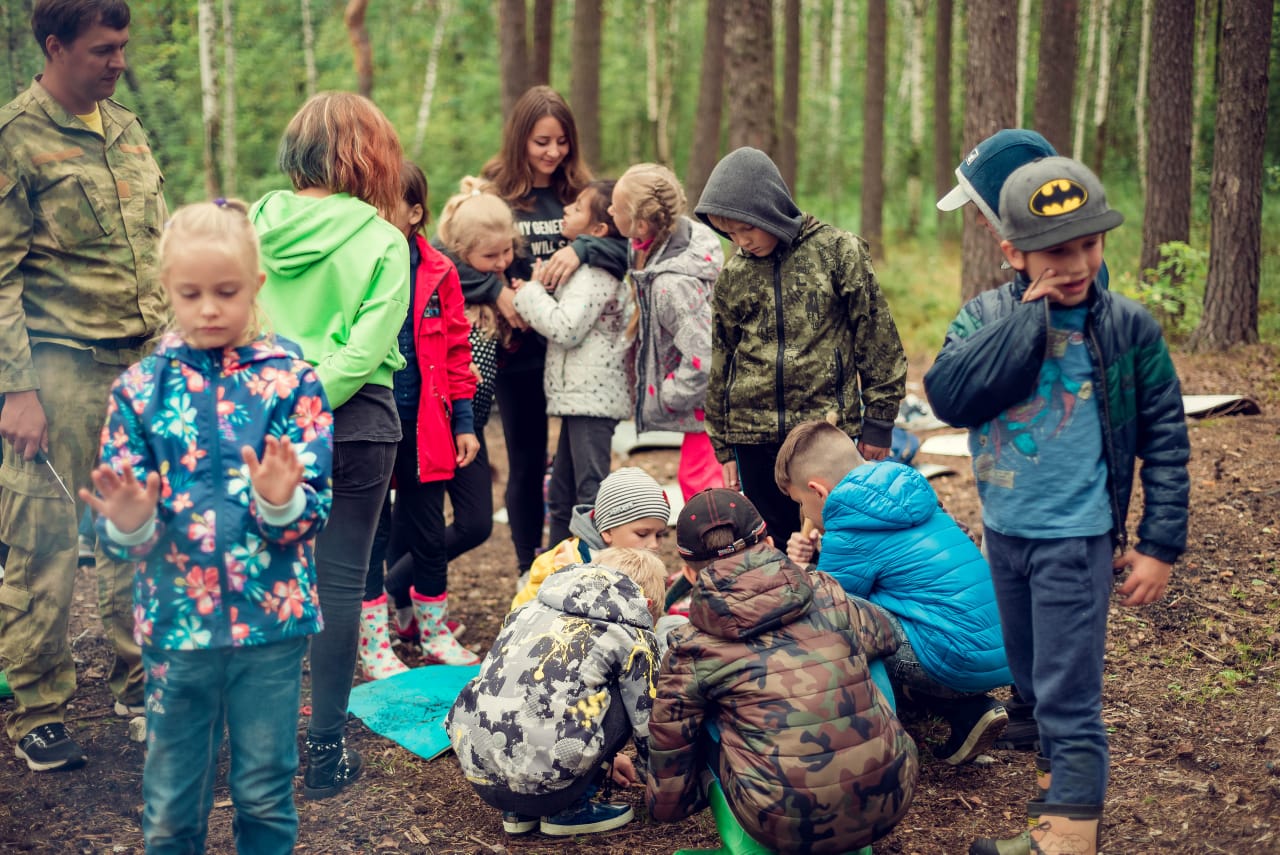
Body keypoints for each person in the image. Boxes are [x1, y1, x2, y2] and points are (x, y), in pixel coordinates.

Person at [923, 156, 1190, 855]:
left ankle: (1068, 835)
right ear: (1012, 250)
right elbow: (950, 395)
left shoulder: (1130, 330)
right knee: (1033, 685)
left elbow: (1166, 441)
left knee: (1070, 693)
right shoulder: (984, 315)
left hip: (1078, 539)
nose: (1075, 264)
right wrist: (1027, 316)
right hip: (1006, 537)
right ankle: (1056, 804)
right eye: (1054, 250)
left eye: (1088, 245)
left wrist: (1159, 544)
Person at [80, 199, 334, 853]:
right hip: (175, 627)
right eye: (190, 293)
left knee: (265, 792)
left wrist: (280, 502)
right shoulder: (139, 391)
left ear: (256, 286)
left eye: (226, 291)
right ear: (168, 290)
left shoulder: (292, 384)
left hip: (271, 629)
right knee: (170, 806)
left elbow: (314, 506)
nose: (209, 308)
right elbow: (114, 526)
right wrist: (132, 523)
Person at [0, 0, 158, 771]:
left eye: (123, 46)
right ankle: (37, 705)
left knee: (138, 529)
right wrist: (15, 389)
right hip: (56, 371)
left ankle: (138, 682)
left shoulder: (124, 127)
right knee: (44, 539)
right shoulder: (14, 138)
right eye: (103, 49)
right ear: (56, 46)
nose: (117, 61)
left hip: (140, 367)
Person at [251, 91, 409, 799]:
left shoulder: (256, 223)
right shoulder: (382, 239)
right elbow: (365, 348)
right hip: (356, 423)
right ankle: (325, 752)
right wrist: (314, 394)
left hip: (262, 421)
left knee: (270, 579)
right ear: (369, 157)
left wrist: (281, 399)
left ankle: (261, 744)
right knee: (339, 583)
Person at [647, 488, 917, 853]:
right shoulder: (824, 589)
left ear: (690, 574)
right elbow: (885, 636)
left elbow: (671, 747)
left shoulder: (691, 645)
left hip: (780, 823)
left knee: (701, 711)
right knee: (860, 655)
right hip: (891, 796)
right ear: (769, 541)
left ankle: (745, 844)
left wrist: (671, 807)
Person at [935, 128, 1074, 755]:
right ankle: (1025, 700)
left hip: (1072, 497)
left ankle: (1057, 715)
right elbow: (951, 390)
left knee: (1062, 606)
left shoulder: (1090, 303)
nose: (988, 233)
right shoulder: (984, 312)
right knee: (1011, 598)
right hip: (1003, 491)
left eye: (988, 216)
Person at [694, 146, 908, 549]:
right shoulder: (734, 274)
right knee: (772, 546)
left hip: (823, 434)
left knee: (836, 541)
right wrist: (724, 446)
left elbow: (878, 338)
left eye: (747, 229)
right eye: (730, 233)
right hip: (753, 438)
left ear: (768, 210)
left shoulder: (838, 253)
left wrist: (879, 419)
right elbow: (722, 363)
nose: (741, 241)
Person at [776, 419, 1013, 765]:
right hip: (1000, 650)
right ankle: (968, 710)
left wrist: (799, 572)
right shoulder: (901, 488)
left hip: (959, 661)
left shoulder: (848, 524)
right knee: (889, 607)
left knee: (843, 621)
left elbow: (828, 607)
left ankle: (878, 733)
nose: (803, 513)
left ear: (819, 492)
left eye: (800, 503)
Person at [475, 85, 627, 575]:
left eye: (561, 141)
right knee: (526, 460)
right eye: (541, 141)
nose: (553, 152)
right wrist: (495, 291)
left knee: (574, 469)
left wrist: (582, 250)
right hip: (519, 353)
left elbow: (627, 247)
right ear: (520, 138)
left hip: (577, 355)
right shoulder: (493, 192)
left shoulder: (581, 194)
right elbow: (453, 257)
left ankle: (570, 561)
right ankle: (527, 566)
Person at [447, 547, 665, 837]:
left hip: (480, 775)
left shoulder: (529, 611)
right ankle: (567, 810)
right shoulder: (631, 634)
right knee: (630, 691)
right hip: (551, 789)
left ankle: (519, 812)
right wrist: (661, 782)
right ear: (646, 604)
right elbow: (647, 719)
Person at [361, 162, 481, 679]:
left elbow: (457, 351)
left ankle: (433, 633)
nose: (375, 214)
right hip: (369, 420)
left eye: (386, 203)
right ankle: (374, 643)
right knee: (373, 533)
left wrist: (465, 422)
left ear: (415, 212)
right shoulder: (358, 263)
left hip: (426, 426)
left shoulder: (440, 272)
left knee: (429, 533)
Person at [512, 180, 632, 546]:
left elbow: (566, 328)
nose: (565, 210)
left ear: (597, 230)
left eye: (577, 208)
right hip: (579, 397)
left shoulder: (595, 273)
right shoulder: (586, 264)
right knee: (562, 491)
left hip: (593, 401)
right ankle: (557, 567)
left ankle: (593, 570)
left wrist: (530, 292)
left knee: (589, 492)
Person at [609, 163, 724, 500]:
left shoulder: (671, 287)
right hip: (705, 408)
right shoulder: (658, 243)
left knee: (702, 486)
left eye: (615, 206)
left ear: (640, 224)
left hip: (708, 408)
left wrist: (670, 394)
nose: (608, 209)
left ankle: (719, 550)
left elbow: (704, 354)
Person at [510, 465, 670, 610]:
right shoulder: (570, 567)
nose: (654, 544)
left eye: (660, 535)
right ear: (607, 531)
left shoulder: (640, 564)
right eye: (642, 534)